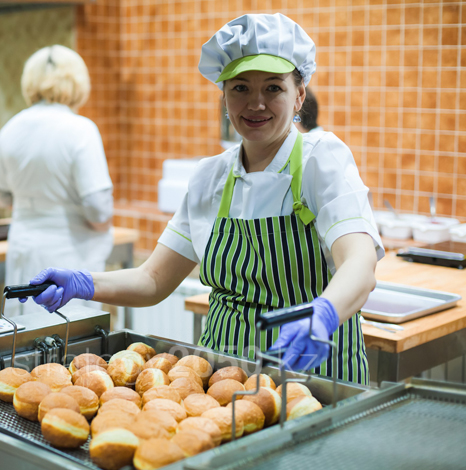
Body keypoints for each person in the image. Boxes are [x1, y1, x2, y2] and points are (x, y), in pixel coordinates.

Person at [24, 14, 384, 384]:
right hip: (221, 379)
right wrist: (83, 283)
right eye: (240, 88)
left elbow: (359, 260)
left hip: (312, 374)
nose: (256, 103)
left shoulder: (320, 159)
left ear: (299, 96)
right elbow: (153, 279)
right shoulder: (211, 177)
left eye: (273, 88)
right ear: (224, 96)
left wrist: (323, 313)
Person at [0, 45, 114, 316]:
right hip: (69, 253)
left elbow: (1, 194)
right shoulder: (80, 129)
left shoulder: (10, 128)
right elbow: (99, 209)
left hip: (23, 245)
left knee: (22, 339)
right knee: (70, 340)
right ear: (78, 83)